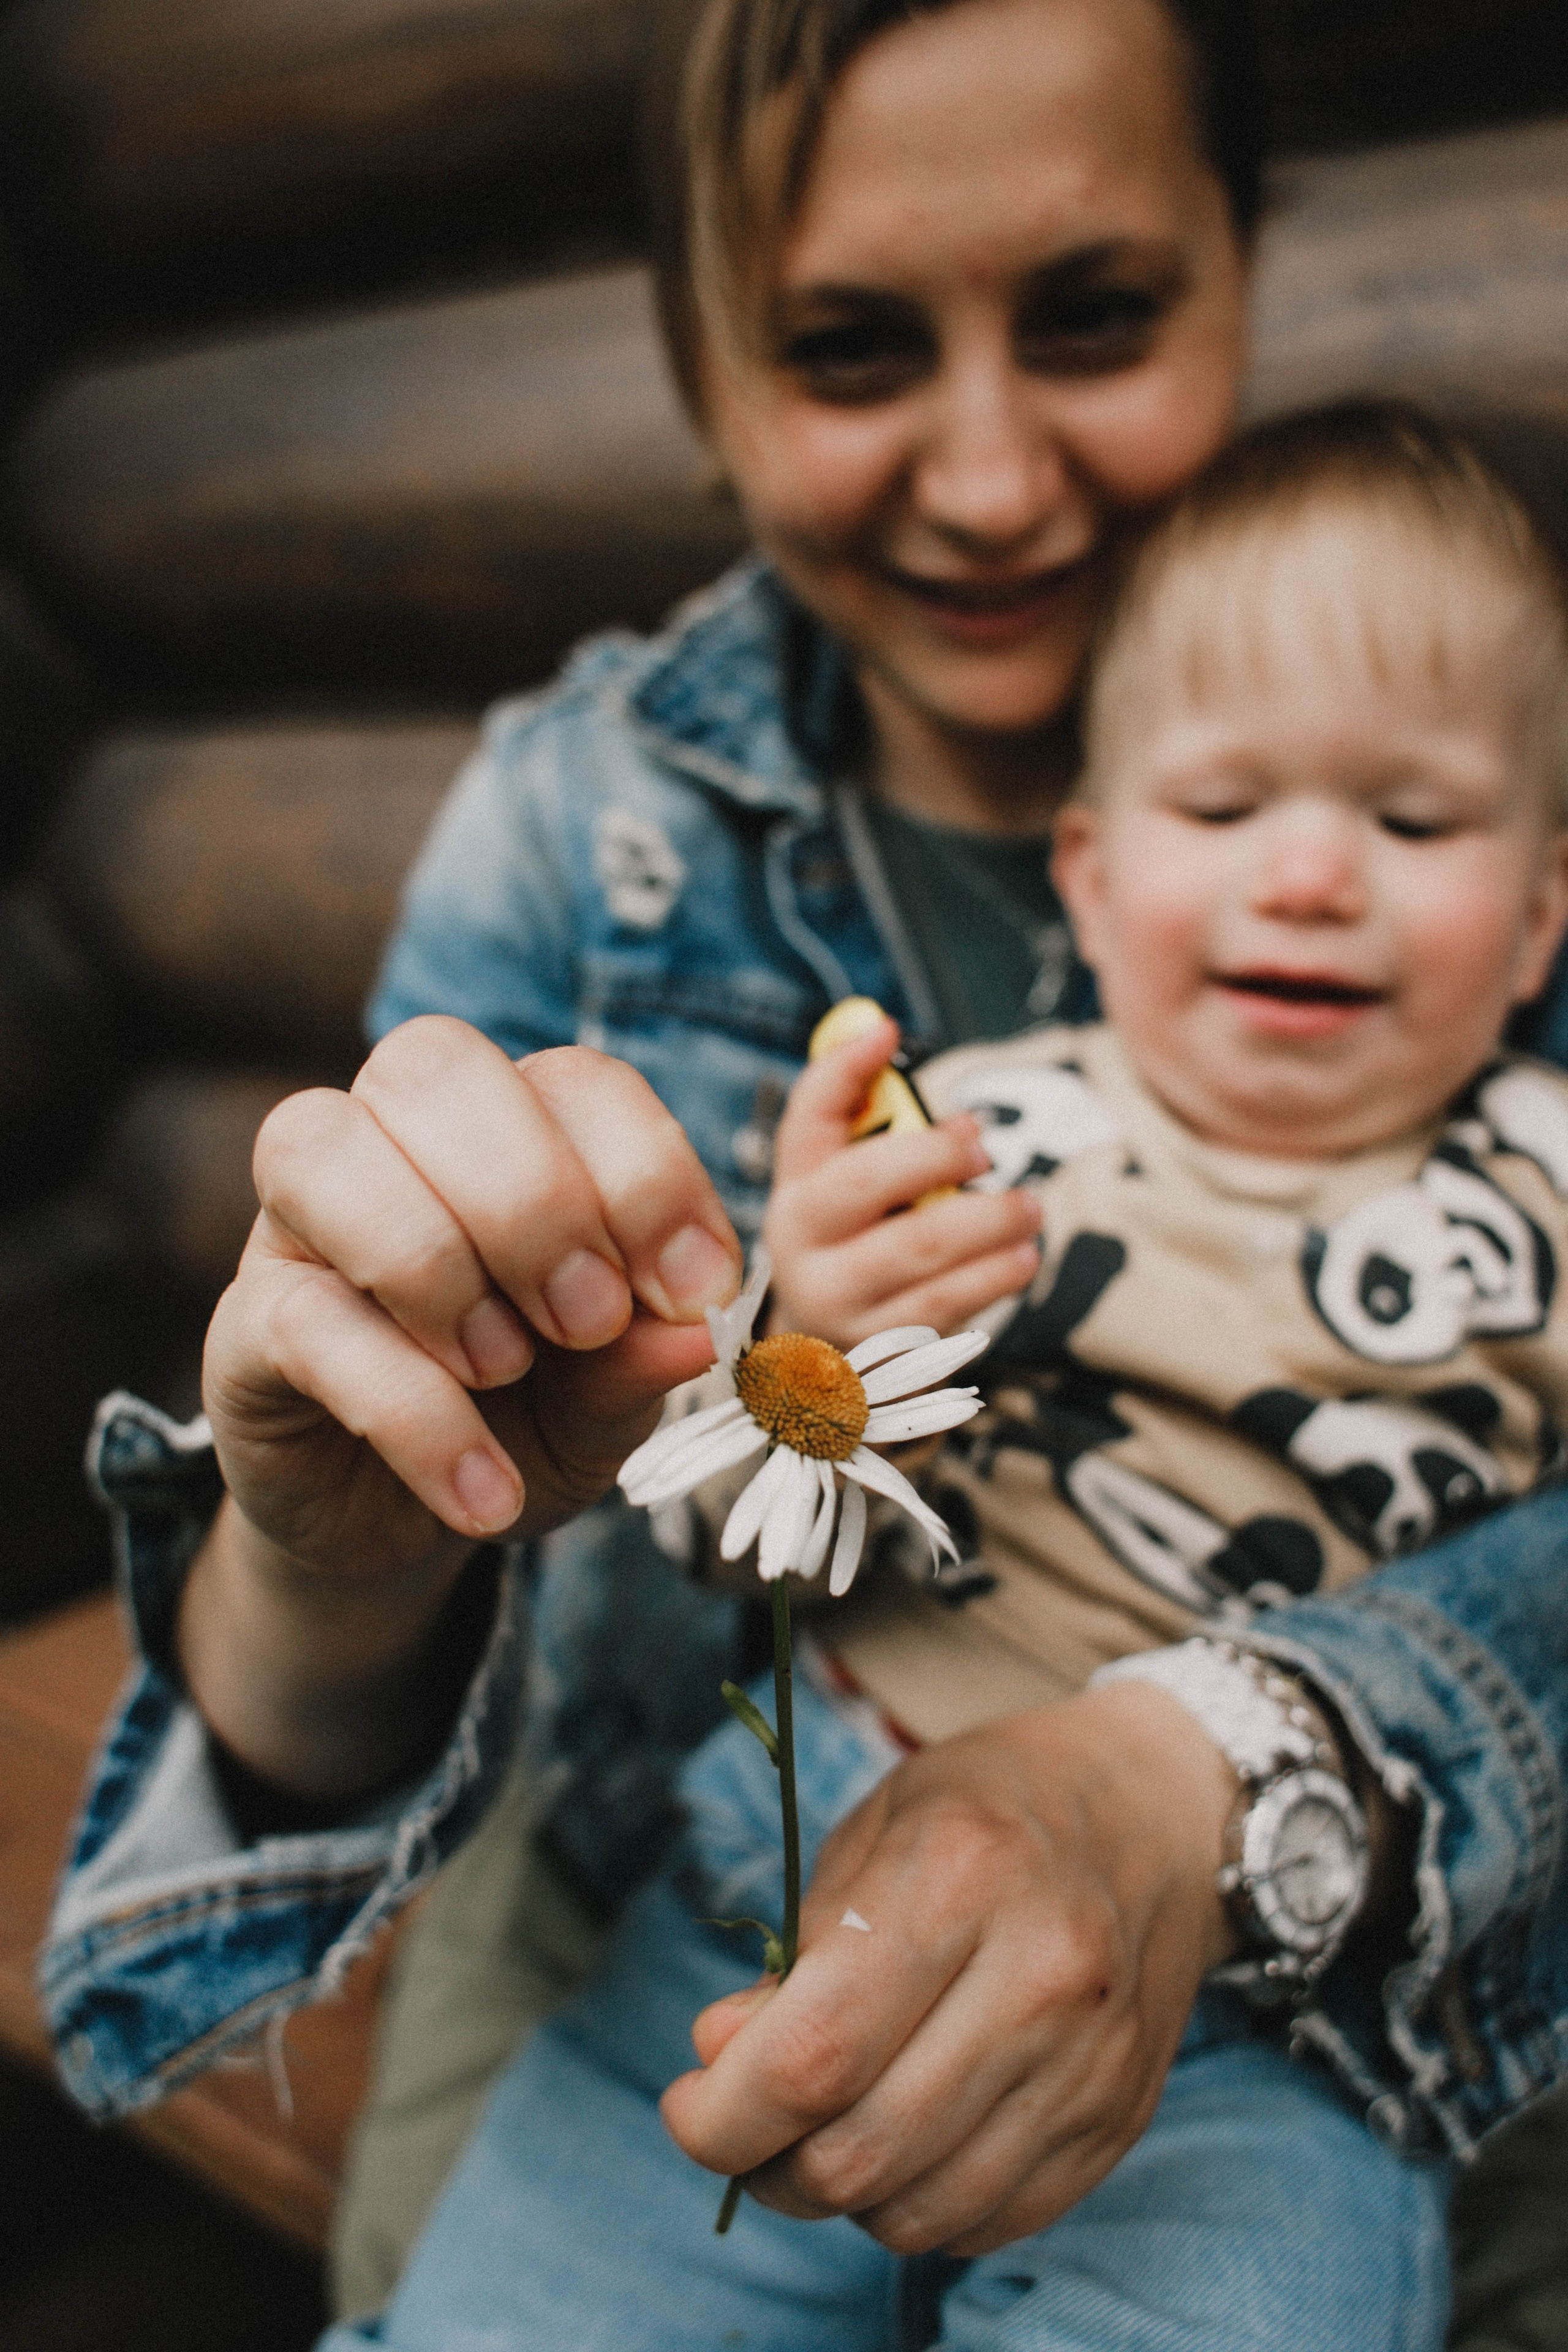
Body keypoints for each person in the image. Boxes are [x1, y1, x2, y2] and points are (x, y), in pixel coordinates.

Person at [37, 0, 1567, 2345]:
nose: (986, 483)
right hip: (697, 1865)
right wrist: (341, 1558)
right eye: (849, 349)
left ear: (1243, 263)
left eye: (1094, 316)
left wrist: (1204, 1777)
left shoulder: (1502, 725)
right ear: (704, 364)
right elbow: (568, 1598)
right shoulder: (578, 840)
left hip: (1378, 1966)